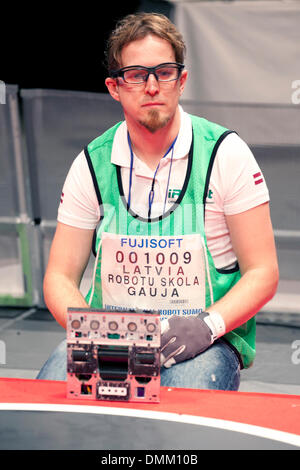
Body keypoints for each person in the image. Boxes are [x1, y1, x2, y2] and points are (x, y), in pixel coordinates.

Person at [37, 12, 279, 390]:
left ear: (181, 81)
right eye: (135, 74)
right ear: (114, 88)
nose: (151, 86)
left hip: (203, 340)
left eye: (163, 72)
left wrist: (207, 325)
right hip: (112, 338)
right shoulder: (91, 164)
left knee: (180, 405)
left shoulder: (226, 154)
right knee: (52, 403)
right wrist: (95, 331)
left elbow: (263, 272)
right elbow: (59, 277)